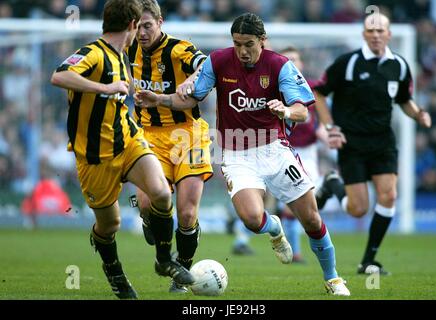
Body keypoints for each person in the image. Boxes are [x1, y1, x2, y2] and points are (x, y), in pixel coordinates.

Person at [136, 12, 351, 296]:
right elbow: (190, 97)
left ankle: (333, 278)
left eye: (248, 44)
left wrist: (285, 110)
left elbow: (301, 110)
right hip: (237, 154)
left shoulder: (280, 66)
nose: (242, 51)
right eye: (237, 44)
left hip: (275, 151)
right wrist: (160, 99)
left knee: (311, 219)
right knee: (252, 219)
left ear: (263, 41)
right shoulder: (218, 61)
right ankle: (274, 228)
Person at [50, 0, 194, 299]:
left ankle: (165, 260)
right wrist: (104, 88)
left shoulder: (121, 56)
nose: (140, 32)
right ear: (130, 25)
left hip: (128, 140)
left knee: (162, 193)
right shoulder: (94, 52)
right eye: (137, 26)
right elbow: (59, 75)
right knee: (110, 224)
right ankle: (115, 273)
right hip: (94, 155)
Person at [313, 12, 432, 275]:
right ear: (364, 35)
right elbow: (318, 92)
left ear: (389, 34)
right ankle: (333, 183)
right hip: (352, 143)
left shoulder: (399, 65)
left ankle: (368, 261)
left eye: (381, 31)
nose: (376, 35)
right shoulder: (348, 63)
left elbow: (404, 99)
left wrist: (419, 114)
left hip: (382, 142)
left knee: (389, 195)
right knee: (358, 209)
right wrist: (331, 128)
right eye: (371, 30)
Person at [127, 0, 213, 294]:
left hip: (188, 134)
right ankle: (147, 217)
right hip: (148, 135)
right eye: (137, 27)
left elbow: (207, 65)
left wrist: (190, 79)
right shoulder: (127, 48)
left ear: (160, 23)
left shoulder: (179, 49)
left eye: (147, 26)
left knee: (187, 214)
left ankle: (183, 270)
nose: (142, 33)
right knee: (148, 203)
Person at [278, 46, 330, 264]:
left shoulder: (311, 89)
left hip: (308, 153)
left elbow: (321, 116)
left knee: (305, 203)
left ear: (301, 64)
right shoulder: (275, 89)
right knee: (289, 207)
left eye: (295, 59)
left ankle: (328, 190)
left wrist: (328, 132)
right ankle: (296, 253)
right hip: (282, 150)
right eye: (287, 59)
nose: (292, 63)